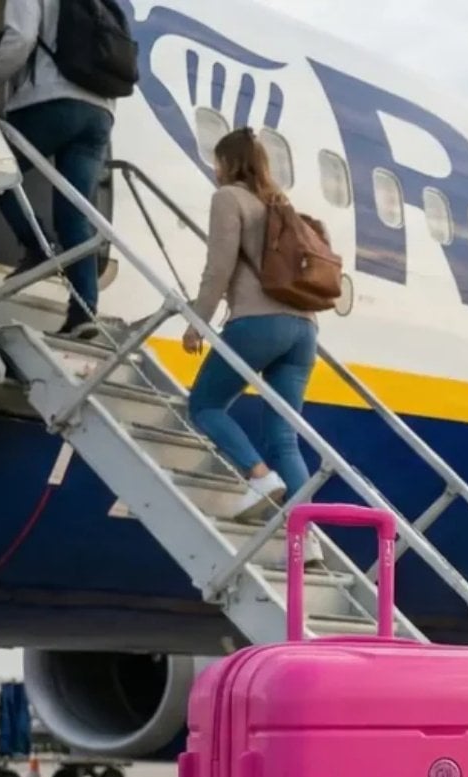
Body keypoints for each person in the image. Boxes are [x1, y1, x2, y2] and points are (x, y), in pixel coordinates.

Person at [184, 128, 323, 534]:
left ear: (228, 163)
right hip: (304, 330)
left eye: (218, 162)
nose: (215, 169)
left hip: (259, 323)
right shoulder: (280, 204)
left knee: (205, 406)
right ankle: (305, 538)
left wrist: (197, 322)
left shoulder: (229, 198)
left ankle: (260, 477)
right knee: (284, 437)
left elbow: (219, 268)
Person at [0, 0, 120, 338]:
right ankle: (84, 312)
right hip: (100, 113)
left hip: (51, 101)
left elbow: (22, 38)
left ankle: (38, 246)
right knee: (75, 214)